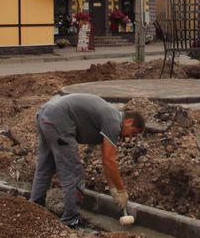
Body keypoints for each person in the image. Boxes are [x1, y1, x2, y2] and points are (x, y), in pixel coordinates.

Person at [29, 93, 145, 228]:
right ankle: (70, 220)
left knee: (45, 167)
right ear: (129, 121)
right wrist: (121, 190)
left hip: (46, 114)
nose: (130, 137)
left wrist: (112, 188)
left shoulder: (109, 116)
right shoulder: (114, 122)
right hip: (59, 120)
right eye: (133, 132)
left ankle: (33, 210)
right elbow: (110, 160)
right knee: (74, 174)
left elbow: (105, 160)